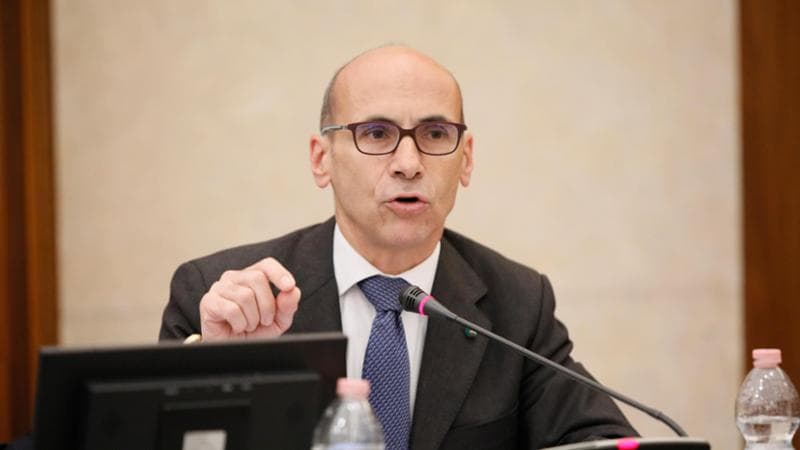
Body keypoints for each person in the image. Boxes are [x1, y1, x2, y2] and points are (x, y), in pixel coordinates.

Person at [160, 45, 638, 450]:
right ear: (321, 159)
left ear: (466, 160)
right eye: (376, 134)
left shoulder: (518, 303)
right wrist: (217, 367)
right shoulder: (223, 299)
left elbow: (600, 439)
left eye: (435, 134)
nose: (408, 163)